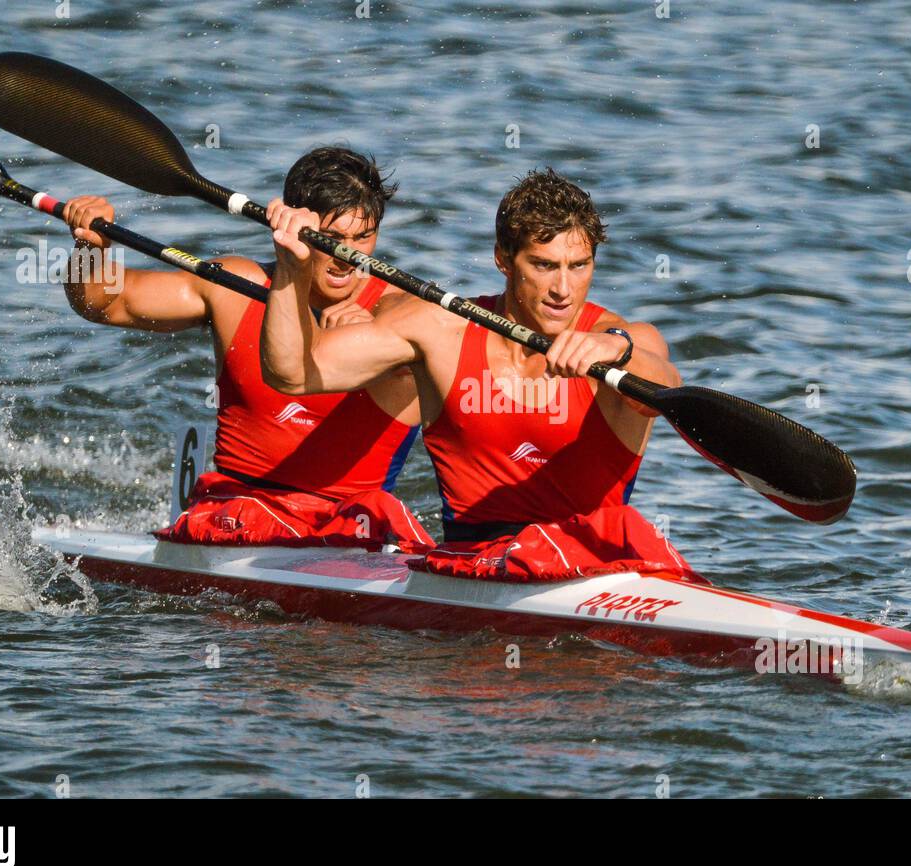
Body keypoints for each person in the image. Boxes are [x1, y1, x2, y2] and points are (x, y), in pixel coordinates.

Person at [258, 168, 699, 580]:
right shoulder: (439, 329)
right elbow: (292, 374)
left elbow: (663, 386)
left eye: (578, 266)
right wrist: (292, 270)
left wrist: (616, 349)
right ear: (503, 260)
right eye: (543, 265)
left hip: (594, 571)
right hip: (472, 568)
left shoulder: (625, 341)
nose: (563, 289)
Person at [60, 147, 432, 551]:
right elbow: (103, 302)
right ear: (289, 223)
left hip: (350, 529)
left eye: (363, 237)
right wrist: (90, 248)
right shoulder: (234, 287)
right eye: (333, 240)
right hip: (234, 514)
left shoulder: (401, 317)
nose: (349, 258)